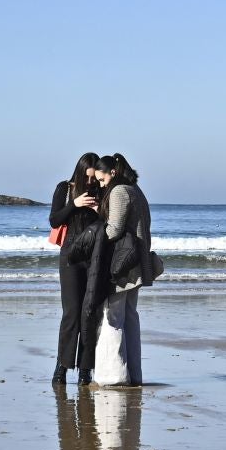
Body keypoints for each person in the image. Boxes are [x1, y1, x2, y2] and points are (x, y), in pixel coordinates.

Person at [85, 153, 152, 386]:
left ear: (112, 173)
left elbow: (114, 230)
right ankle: (133, 374)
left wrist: (93, 230)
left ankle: (114, 376)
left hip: (122, 264)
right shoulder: (136, 190)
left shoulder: (119, 191)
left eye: (102, 180)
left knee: (113, 317)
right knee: (130, 318)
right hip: (136, 262)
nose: (102, 185)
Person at [47, 154, 101, 383]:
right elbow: (54, 220)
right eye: (86, 178)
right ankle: (62, 367)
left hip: (95, 257)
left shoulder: (101, 190)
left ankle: (85, 370)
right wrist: (74, 204)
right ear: (79, 172)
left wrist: (99, 210)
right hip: (70, 257)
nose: (90, 183)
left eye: (93, 179)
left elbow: (109, 224)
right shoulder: (65, 188)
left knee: (89, 314)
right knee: (71, 313)